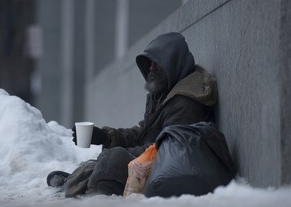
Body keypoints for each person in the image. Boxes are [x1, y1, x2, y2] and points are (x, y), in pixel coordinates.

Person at [47, 32, 217, 197]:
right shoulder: (164, 94)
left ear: (172, 64)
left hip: (171, 172)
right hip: (154, 161)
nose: (151, 69)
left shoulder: (185, 104)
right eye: (149, 63)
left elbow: (166, 152)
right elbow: (143, 132)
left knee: (112, 160)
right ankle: (80, 182)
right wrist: (106, 137)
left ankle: (85, 191)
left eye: (156, 64)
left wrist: (121, 153)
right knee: (107, 158)